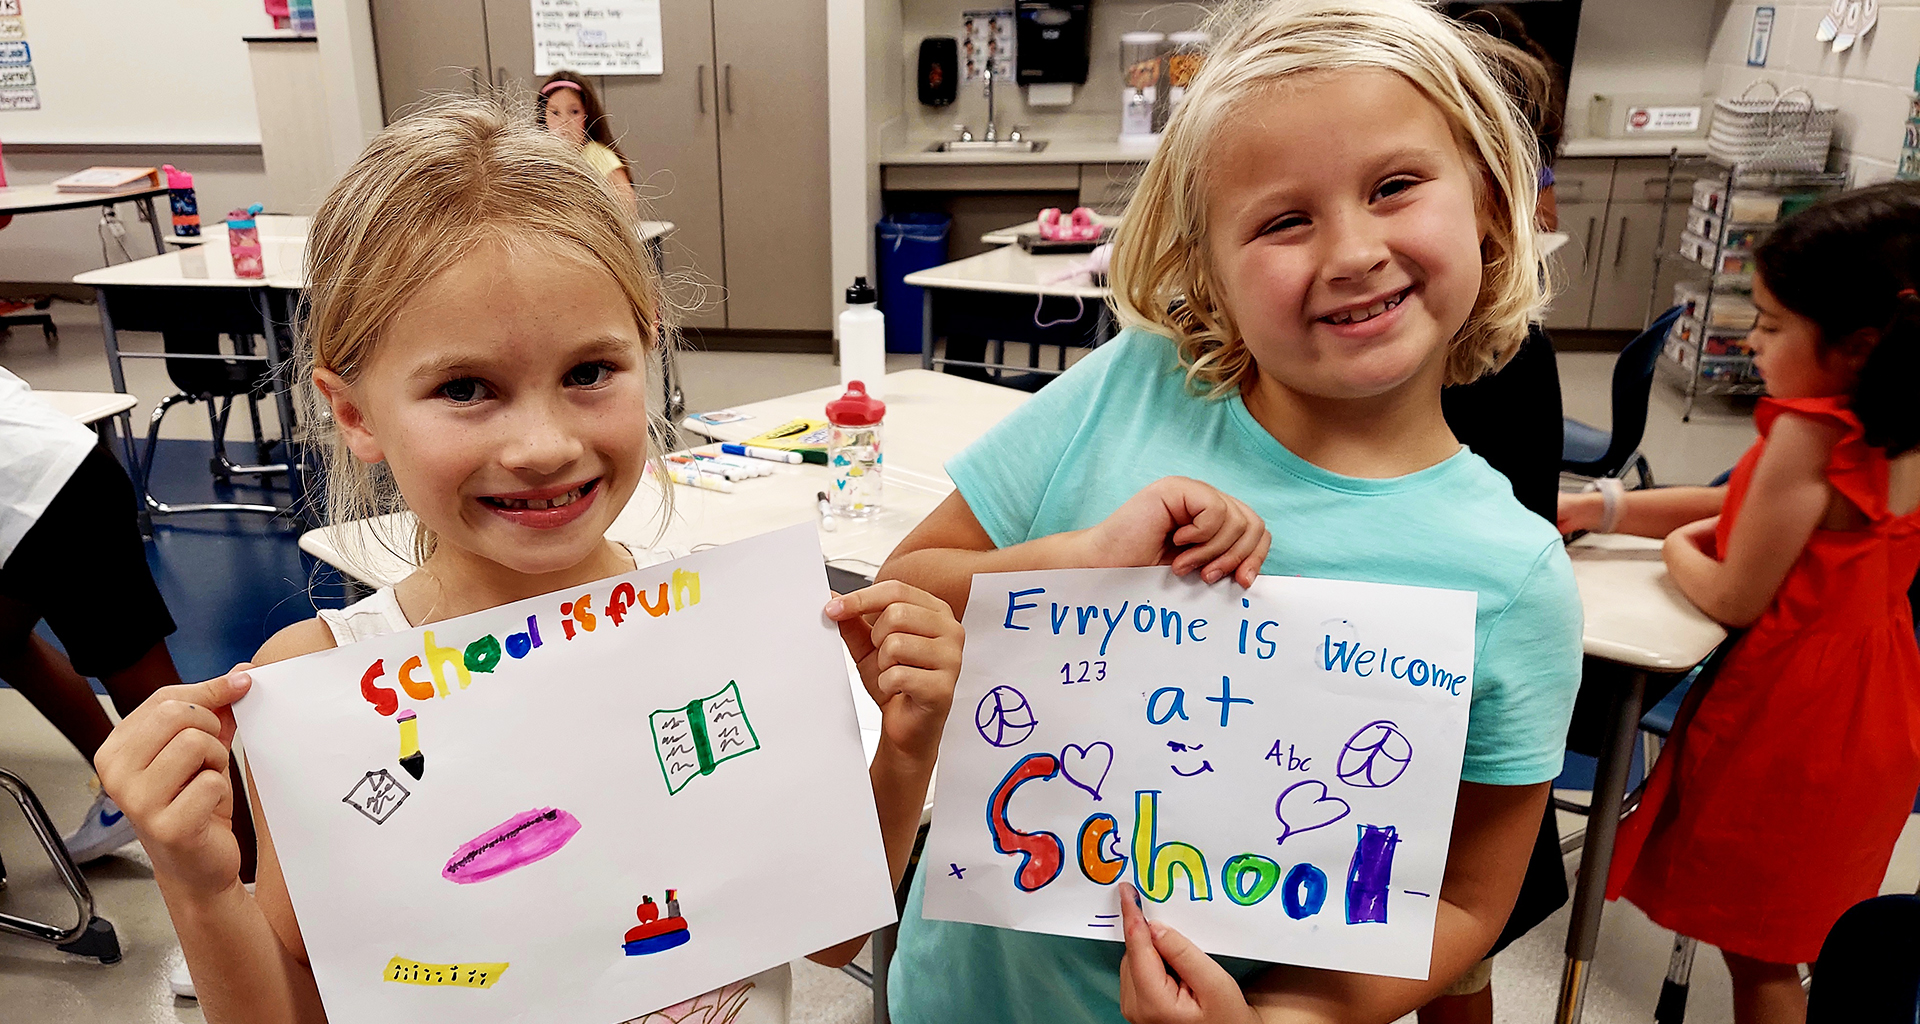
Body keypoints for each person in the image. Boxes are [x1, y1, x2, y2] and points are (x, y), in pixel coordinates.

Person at [90, 96, 964, 1023]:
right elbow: (300, 1007)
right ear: (354, 413)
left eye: (589, 373)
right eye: (466, 388)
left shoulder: (723, 636)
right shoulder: (320, 687)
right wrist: (198, 885)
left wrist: (905, 749)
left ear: (649, 345)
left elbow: (825, 934)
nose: (543, 444)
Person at [876, 0, 1584, 1020]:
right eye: (1285, 220)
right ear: (1208, 264)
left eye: (1394, 186)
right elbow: (903, 594)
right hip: (948, 997)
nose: (1350, 251)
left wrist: (1289, 1018)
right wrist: (1082, 558)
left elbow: (1467, 896)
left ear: (1486, 198)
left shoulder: (1513, 577)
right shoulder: (1130, 388)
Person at [1560, 182, 1920, 1024]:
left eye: (1769, 323)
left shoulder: (1809, 431)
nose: (1748, 340)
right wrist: (1607, 508)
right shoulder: (1893, 417)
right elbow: (1756, 512)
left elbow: (1731, 584)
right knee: (1803, 930)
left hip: (1794, 718)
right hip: (1875, 703)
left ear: (1858, 343)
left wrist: (1675, 550)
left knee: (1759, 958)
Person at [0, 367, 186, 863]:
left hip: (53, 493)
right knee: (2, 639)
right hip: (57, 466)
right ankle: (122, 792)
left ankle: (257, 880)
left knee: (149, 698)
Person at [537, 70, 639, 218]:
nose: (564, 121)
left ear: (588, 115)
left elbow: (628, 210)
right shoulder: (538, 157)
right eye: (555, 113)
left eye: (574, 111)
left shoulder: (599, 156)